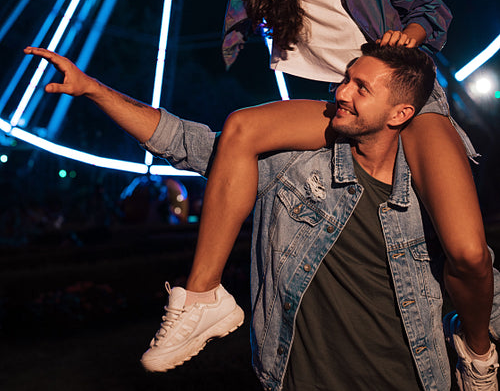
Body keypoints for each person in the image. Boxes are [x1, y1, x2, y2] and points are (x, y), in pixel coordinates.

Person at [109, 0, 495, 370]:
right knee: (241, 128)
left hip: (407, 98)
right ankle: (203, 299)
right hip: (336, 102)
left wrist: (409, 36)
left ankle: (479, 351)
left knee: (466, 251)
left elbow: (431, 9)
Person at [24, 44, 500, 390]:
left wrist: (480, 354)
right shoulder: (293, 165)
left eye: (360, 87)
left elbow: (477, 276)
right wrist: (94, 91)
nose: (340, 91)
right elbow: (194, 145)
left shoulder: (427, 197)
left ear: (400, 113)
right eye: (345, 78)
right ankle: (202, 298)